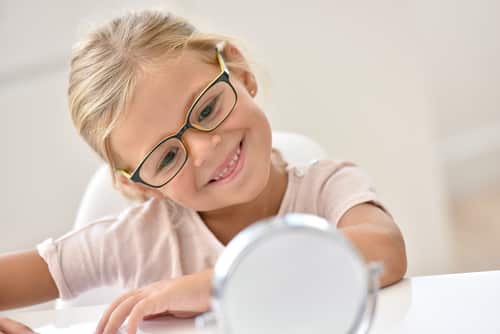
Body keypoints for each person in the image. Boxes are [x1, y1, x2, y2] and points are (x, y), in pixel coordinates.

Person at [0, 9, 407, 334]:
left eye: (208, 108)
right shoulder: (137, 241)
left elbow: (386, 251)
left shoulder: (326, 188)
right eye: (165, 157)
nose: (204, 148)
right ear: (140, 185)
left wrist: (215, 286)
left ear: (239, 70)